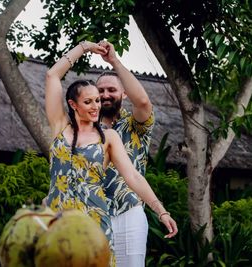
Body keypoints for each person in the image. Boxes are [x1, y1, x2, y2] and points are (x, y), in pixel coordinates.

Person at [43, 40, 177, 265]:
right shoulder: (61, 127)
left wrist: (160, 210)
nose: (98, 102)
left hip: (110, 214)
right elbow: (51, 76)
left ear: (123, 94)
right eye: (91, 99)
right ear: (74, 105)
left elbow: (133, 176)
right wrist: (83, 47)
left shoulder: (116, 133)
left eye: (102, 97)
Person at [95, 41, 154, 267]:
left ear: (123, 94)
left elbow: (144, 102)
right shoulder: (86, 131)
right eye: (100, 91)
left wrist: (114, 61)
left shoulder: (135, 126)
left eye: (112, 90)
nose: (106, 94)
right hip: (94, 213)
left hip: (129, 212)